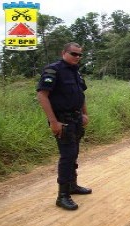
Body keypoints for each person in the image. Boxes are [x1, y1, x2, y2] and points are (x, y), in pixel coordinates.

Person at [36, 42, 92, 211]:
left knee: (74, 153)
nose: (77, 57)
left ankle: (72, 186)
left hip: (76, 119)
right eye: (74, 54)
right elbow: (42, 95)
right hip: (62, 121)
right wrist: (53, 122)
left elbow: (80, 94)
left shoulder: (76, 72)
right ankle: (62, 196)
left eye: (80, 55)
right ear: (64, 52)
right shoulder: (53, 70)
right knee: (67, 156)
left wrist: (84, 113)